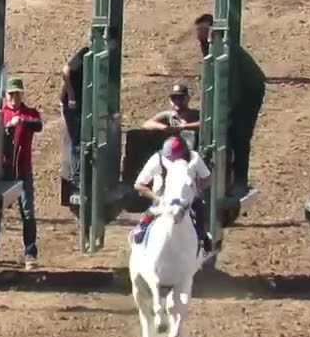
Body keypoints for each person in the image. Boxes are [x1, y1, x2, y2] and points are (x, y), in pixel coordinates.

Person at [194, 13, 266, 196]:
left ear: (211, 30)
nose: (200, 34)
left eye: (203, 30)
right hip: (236, 89)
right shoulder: (209, 46)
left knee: (240, 135)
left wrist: (226, 111)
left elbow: (232, 83)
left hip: (249, 90)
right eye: (198, 31)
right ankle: (223, 180)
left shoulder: (225, 49)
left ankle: (240, 182)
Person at [0, 77, 41, 269]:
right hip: (3, 171)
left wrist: (22, 120)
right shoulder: (1, 114)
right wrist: (8, 126)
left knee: (28, 213)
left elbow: (38, 124)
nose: (14, 98)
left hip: (23, 171)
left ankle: (30, 254)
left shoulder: (29, 113)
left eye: (17, 94)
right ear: (5, 95)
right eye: (11, 94)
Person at [131, 135, 214, 258]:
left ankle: (203, 242)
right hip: (163, 202)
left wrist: (193, 188)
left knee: (200, 220)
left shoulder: (194, 158)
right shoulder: (158, 159)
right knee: (146, 223)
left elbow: (207, 178)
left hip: (189, 202)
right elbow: (139, 184)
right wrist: (158, 198)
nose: (172, 160)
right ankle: (141, 241)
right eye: (170, 158)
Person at [60, 27, 119, 186]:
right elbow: (65, 71)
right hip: (74, 105)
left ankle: (85, 174)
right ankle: (76, 178)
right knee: (77, 140)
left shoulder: (101, 58)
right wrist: (70, 95)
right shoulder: (85, 53)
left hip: (83, 103)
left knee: (86, 138)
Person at [142, 82, 202, 147]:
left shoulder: (197, 114)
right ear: (170, 101)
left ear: (188, 99)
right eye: (174, 98)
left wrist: (185, 127)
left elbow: (205, 124)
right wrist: (165, 128)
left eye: (181, 98)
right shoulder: (169, 115)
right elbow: (147, 124)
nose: (177, 101)